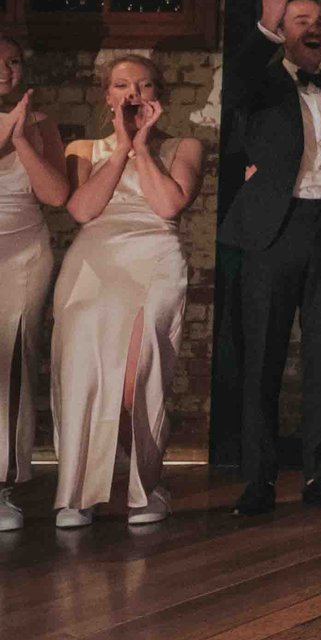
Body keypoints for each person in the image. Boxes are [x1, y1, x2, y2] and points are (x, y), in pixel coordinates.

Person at [220, 0, 321, 517]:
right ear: (283, 30)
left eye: (320, 21)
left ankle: (320, 475)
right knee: (263, 358)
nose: (313, 28)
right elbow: (235, 83)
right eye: (301, 20)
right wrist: (265, 26)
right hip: (274, 229)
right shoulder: (262, 83)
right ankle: (259, 480)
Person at [52, 55, 203, 528]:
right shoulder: (84, 148)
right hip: (95, 261)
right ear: (108, 95)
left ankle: (147, 486)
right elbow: (83, 210)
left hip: (154, 256)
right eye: (122, 85)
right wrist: (120, 147)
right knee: (82, 375)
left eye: (144, 85)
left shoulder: (184, 145)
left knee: (136, 379)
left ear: (160, 96)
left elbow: (167, 205)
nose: (133, 93)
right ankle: (78, 492)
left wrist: (141, 147)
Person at [0, 34, 69, 532]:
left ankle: (3, 484)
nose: (6, 70)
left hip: (23, 253)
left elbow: (57, 194)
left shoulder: (41, 122)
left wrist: (23, 137)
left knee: (15, 364)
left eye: (14, 61)